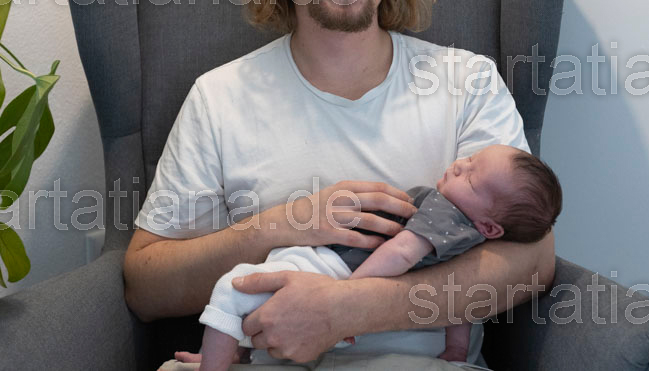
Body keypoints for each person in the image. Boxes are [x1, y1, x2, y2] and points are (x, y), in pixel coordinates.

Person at [123, 0, 557, 368]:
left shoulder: (467, 83)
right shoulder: (218, 97)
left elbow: (533, 260)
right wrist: (284, 224)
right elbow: (146, 288)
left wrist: (346, 310)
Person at [194, 145, 563, 371]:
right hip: (339, 275)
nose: (459, 166)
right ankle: (231, 354)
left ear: (491, 226)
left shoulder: (445, 210)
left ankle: (217, 362)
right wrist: (456, 348)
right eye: (469, 159)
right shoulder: (473, 240)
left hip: (341, 270)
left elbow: (399, 252)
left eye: (471, 179)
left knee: (233, 289)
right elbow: (463, 308)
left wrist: (346, 297)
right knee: (256, 304)